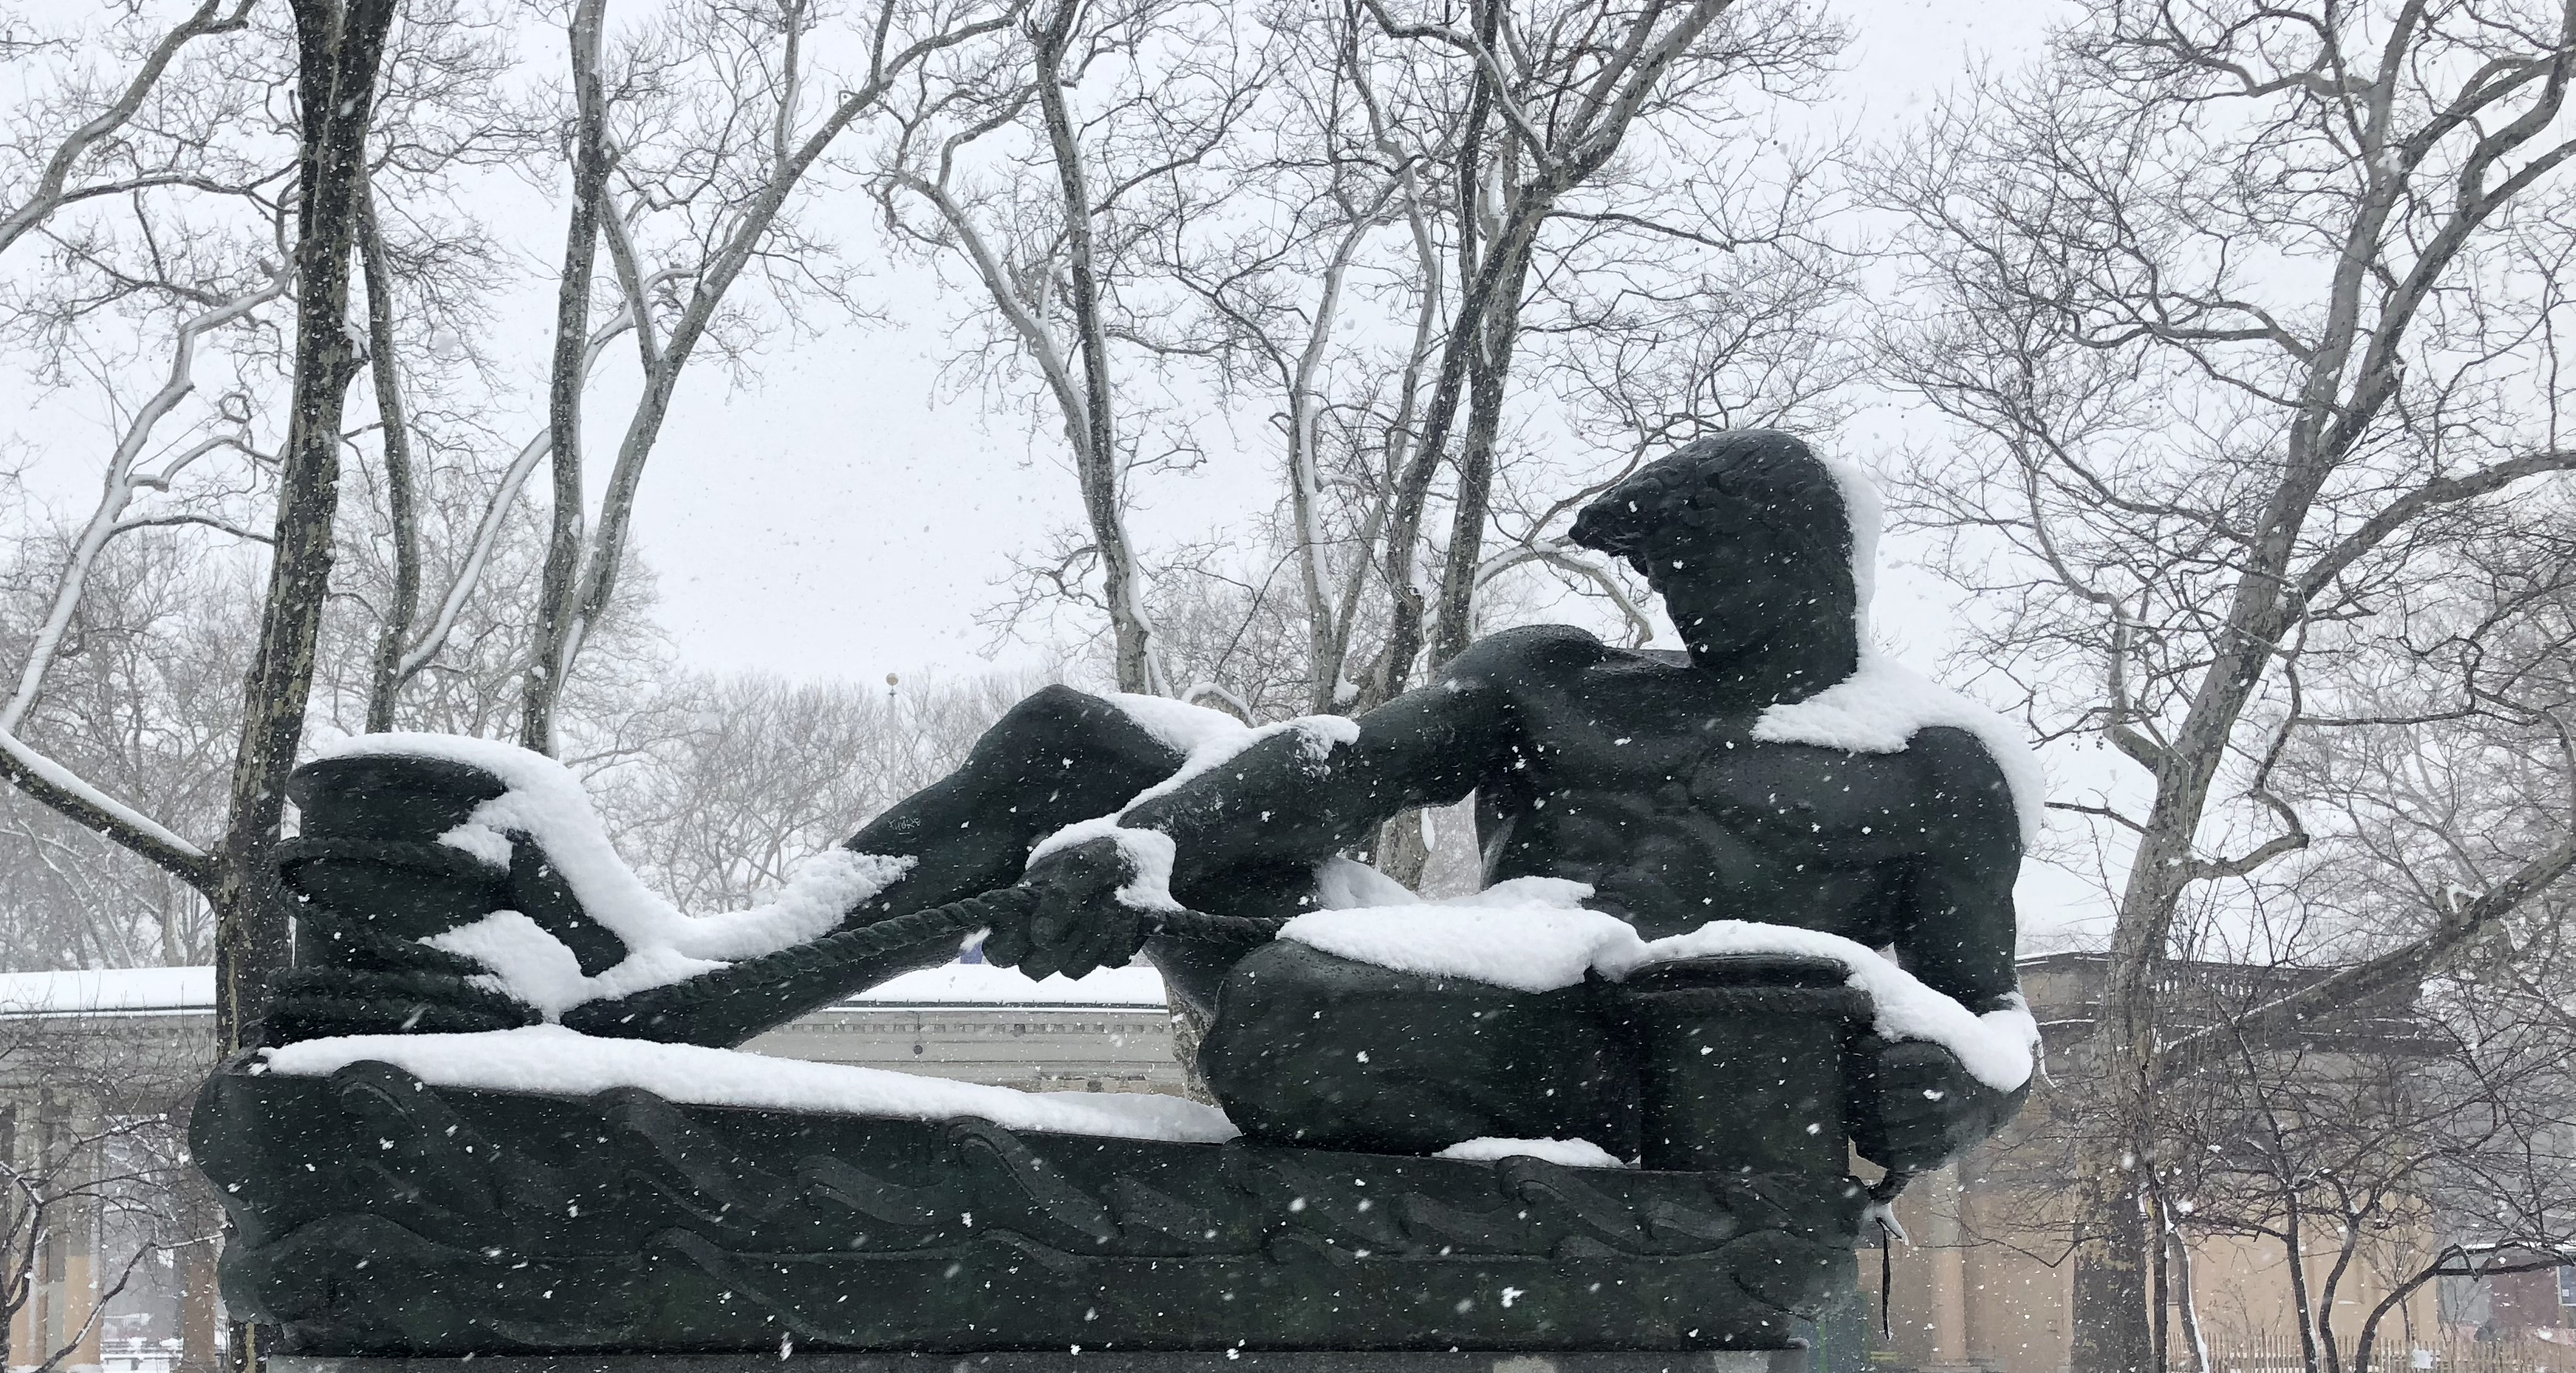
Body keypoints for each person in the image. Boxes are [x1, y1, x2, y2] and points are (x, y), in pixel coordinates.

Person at [280, 429, 2033, 1179]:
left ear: (1800, 554)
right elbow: (1341, 762)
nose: (1671, 592)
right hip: (1428, 974)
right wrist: (1146, 844)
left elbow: (1985, 1040)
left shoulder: (1926, 765)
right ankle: (680, 979)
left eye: (1695, 559)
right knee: (1085, 737)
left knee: (1306, 1014)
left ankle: (1297, 1001)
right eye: (1661, 565)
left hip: (1619, 1066)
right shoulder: (1558, 677)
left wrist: (1900, 1065)